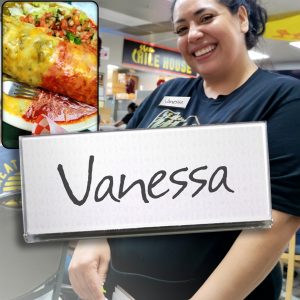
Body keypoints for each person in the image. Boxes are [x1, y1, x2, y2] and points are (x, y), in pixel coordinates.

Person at [69, 0, 300, 299]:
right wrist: (93, 235)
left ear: (241, 18)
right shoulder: (168, 92)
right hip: (121, 286)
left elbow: (277, 222)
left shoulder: (283, 99)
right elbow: (115, 172)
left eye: (205, 17)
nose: (192, 34)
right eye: (181, 28)